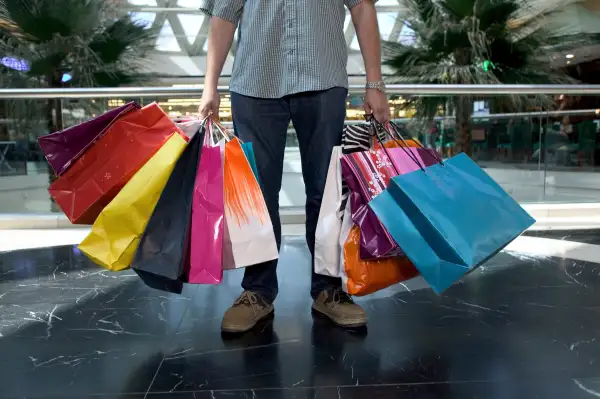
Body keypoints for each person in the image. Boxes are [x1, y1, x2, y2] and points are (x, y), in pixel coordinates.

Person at [198, 0, 390, 333]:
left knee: (327, 190)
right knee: (257, 193)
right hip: (255, 82)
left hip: (324, 79)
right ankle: (257, 290)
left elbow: (362, 7)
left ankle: (328, 289)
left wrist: (375, 84)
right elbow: (223, 16)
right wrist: (209, 86)